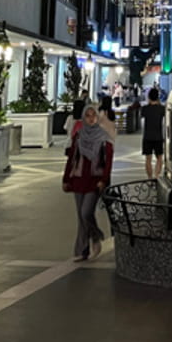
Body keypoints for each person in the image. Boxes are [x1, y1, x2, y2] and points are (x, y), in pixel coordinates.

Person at [62, 104, 113, 261]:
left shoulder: (104, 138)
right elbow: (71, 159)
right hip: (78, 178)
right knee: (81, 217)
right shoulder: (78, 136)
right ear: (84, 118)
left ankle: (96, 236)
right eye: (88, 116)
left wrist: (104, 180)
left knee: (86, 213)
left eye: (94, 115)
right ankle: (82, 250)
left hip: (94, 181)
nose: (91, 119)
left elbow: (108, 161)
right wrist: (66, 179)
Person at [141, 86, 165, 178]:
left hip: (147, 137)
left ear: (149, 97)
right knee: (159, 158)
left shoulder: (145, 108)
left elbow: (142, 116)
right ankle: (156, 175)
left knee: (148, 159)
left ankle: (149, 178)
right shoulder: (161, 108)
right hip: (158, 136)